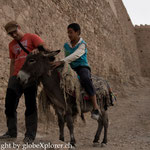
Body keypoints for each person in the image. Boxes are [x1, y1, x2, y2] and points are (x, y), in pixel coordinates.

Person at [0, 21, 46, 143]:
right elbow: (13, 62)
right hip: (16, 76)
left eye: (14, 32)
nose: (13, 35)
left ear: (19, 28)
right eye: (11, 34)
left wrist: (37, 49)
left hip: (30, 76)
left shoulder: (32, 37)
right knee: (9, 104)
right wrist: (11, 77)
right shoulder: (11, 45)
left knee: (30, 105)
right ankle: (11, 132)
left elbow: (44, 49)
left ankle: (30, 135)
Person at [51, 23, 100, 120]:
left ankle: (95, 107)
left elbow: (76, 55)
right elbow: (67, 58)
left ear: (77, 32)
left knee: (85, 79)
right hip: (70, 68)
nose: (69, 34)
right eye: (68, 32)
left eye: (71, 32)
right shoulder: (66, 45)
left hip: (82, 67)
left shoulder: (83, 44)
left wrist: (61, 62)